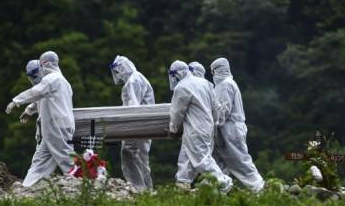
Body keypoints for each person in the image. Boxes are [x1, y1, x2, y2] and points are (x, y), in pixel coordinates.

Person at [5, 51, 75, 187]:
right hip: (56, 128)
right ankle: (27, 187)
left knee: (66, 158)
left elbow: (36, 92)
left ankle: (86, 181)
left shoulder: (52, 79)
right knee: (40, 160)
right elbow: (42, 99)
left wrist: (16, 101)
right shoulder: (62, 81)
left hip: (56, 127)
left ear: (44, 64)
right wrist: (29, 110)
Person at [167, 60, 232, 193]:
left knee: (202, 160)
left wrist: (173, 129)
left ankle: (223, 182)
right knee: (188, 156)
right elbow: (216, 107)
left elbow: (177, 112)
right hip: (207, 128)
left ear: (177, 74)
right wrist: (215, 123)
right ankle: (183, 183)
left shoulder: (182, 87)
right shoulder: (205, 83)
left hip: (195, 130)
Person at [210, 57, 264, 192]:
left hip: (231, 129)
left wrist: (212, 123)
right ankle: (216, 188)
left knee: (240, 160)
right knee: (221, 160)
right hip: (230, 128)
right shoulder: (228, 83)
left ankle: (259, 187)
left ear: (216, 71)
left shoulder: (225, 85)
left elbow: (223, 110)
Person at [109, 55, 154, 191]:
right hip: (144, 123)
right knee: (141, 156)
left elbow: (133, 106)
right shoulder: (137, 78)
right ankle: (146, 189)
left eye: (118, 71)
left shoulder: (133, 81)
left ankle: (138, 187)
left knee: (129, 152)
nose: (118, 75)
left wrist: (127, 126)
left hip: (137, 124)